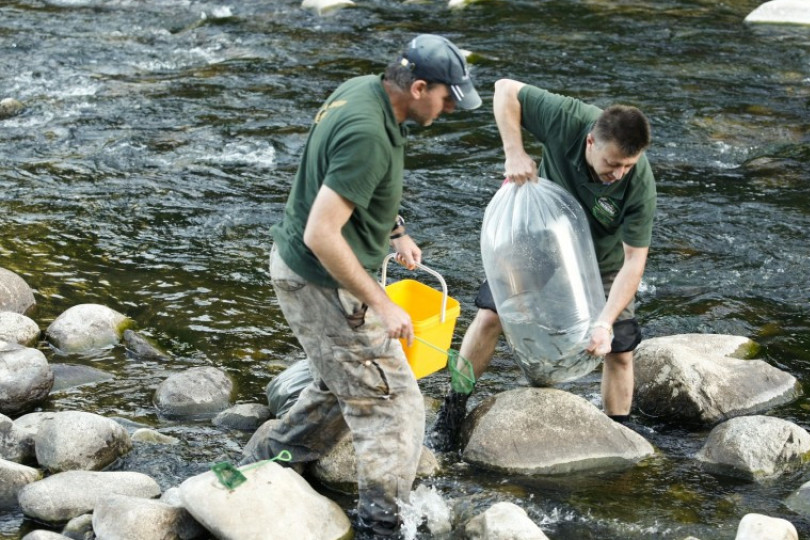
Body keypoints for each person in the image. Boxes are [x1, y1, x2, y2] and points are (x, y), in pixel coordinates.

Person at [241, 34, 480, 538]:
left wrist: (395, 233)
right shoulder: (368, 133)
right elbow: (322, 233)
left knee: (341, 385)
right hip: (319, 282)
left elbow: (350, 184)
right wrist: (383, 304)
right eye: (447, 97)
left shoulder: (363, 91)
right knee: (392, 403)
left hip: (301, 269)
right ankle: (381, 524)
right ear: (418, 87)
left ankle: (259, 466)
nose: (452, 109)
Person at [428, 78, 656, 451]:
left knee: (620, 349)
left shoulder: (638, 183)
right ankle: (453, 408)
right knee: (491, 314)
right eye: (612, 164)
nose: (618, 174)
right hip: (543, 239)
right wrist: (514, 152)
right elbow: (504, 89)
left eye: (627, 166)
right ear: (590, 142)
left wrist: (604, 321)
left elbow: (634, 261)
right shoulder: (567, 119)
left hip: (603, 261)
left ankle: (622, 436)